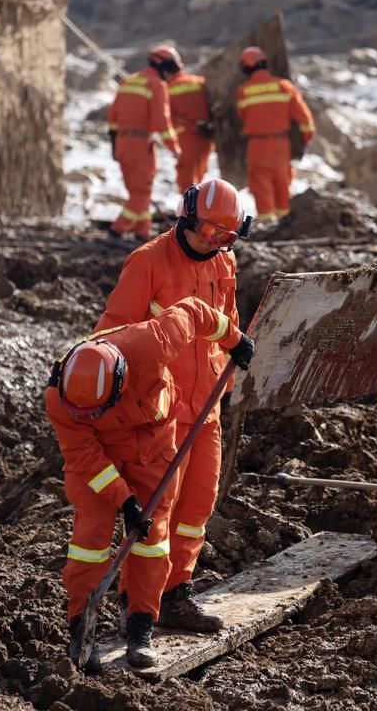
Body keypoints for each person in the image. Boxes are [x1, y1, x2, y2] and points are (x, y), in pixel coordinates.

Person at [46, 295, 252, 671]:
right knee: (90, 541)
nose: (90, 414)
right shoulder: (60, 399)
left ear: (120, 382)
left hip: (153, 448)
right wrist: (125, 502)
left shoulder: (153, 341)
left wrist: (234, 340)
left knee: (151, 538)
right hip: (100, 459)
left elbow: (196, 310)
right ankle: (82, 628)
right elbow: (85, 457)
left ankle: (140, 625)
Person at [94, 178, 251, 633]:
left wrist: (233, 363)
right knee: (156, 514)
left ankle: (177, 593)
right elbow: (115, 336)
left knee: (196, 508)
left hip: (208, 410)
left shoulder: (225, 262)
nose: (214, 241)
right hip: (160, 414)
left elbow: (229, 323)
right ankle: (137, 607)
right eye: (208, 230)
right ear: (186, 215)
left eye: (226, 235)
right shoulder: (147, 262)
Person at [107, 46, 183, 241]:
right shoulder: (156, 84)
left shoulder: (127, 81)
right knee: (141, 192)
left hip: (123, 142)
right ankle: (117, 229)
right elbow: (161, 121)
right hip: (140, 145)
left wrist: (114, 145)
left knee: (137, 191)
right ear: (163, 66)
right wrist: (174, 147)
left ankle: (142, 232)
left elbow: (112, 116)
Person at [235, 46, 315, 223]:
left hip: (257, 145)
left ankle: (266, 222)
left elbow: (242, 116)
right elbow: (305, 120)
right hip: (281, 144)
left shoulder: (244, 91)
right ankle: (285, 222)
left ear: (246, 67)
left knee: (260, 184)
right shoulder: (284, 86)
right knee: (283, 182)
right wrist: (304, 141)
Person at [168, 63, 215, 192]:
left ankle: (191, 211)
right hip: (206, 138)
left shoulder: (167, 89)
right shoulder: (200, 82)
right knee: (197, 178)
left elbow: (167, 117)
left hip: (188, 138)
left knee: (186, 181)